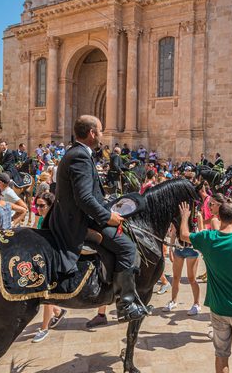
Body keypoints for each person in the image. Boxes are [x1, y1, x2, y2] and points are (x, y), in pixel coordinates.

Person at [49, 115, 147, 322]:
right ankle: (125, 304)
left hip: (75, 216)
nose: (102, 134)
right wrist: (107, 217)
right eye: (101, 131)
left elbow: (87, 194)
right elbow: (84, 198)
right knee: (127, 248)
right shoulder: (80, 156)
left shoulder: (77, 153)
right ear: (92, 133)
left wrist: (108, 204)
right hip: (76, 223)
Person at [178, 200, 232, 373]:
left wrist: (184, 217)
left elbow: (184, 235)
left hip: (218, 307)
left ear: (218, 217)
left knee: (221, 352)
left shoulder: (207, 238)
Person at [163, 184, 207, 315]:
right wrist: (170, 249)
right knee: (176, 277)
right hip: (179, 248)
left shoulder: (197, 215)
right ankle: (173, 301)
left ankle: (196, 304)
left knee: (191, 278)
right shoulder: (178, 214)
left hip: (192, 249)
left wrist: (203, 249)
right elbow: (173, 231)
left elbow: (201, 231)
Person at [31, 193, 67, 342]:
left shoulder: (56, 220)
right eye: (37, 205)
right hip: (40, 258)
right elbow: (33, 231)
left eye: (42, 206)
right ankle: (58, 312)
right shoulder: (39, 217)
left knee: (47, 294)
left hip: (52, 259)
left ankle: (44, 327)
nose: (38, 208)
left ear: (50, 206)